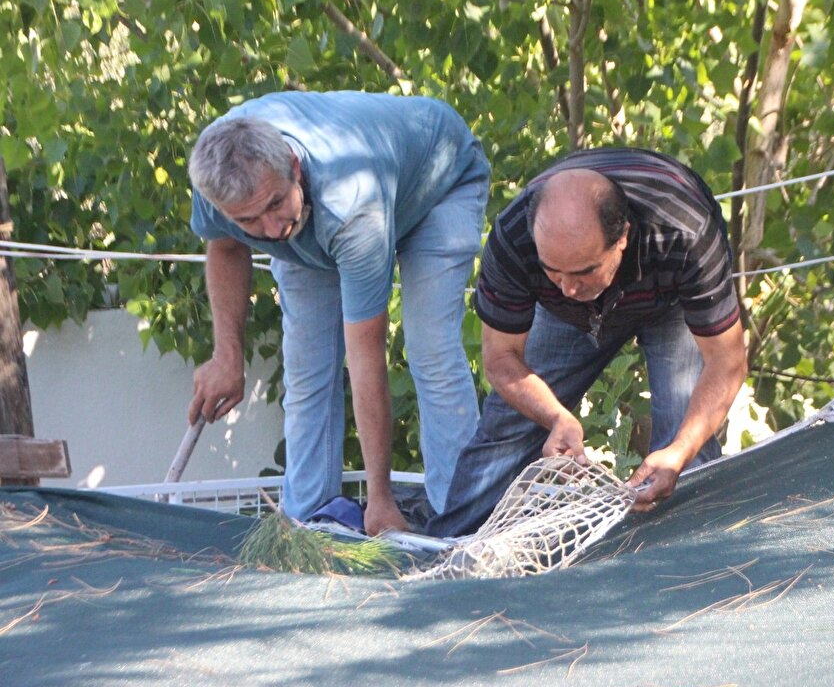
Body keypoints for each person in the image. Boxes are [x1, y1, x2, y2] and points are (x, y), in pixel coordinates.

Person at [186, 91, 489, 535]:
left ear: (293, 166)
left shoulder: (350, 206)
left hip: (439, 181)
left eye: (274, 203)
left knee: (431, 352)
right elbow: (226, 247)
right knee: (306, 369)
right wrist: (227, 355)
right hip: (326, 213)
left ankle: (464, 528)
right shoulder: (216, 178)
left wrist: (380, 498)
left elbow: (366, 360)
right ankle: (307, 525)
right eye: (249, 220)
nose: (272, 230)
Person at [425, 147, 747, 538]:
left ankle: (686, 558)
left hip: (671, 299)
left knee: (685, 447)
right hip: (561, 317)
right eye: (552, 270)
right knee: (509, 426)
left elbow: (727, 361)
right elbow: (500, 359)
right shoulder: (514, 237)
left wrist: (679, 452)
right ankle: (452, 547)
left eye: (583, 271)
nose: (569, 287)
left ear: (622, 237)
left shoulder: (685, 232)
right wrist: (556, 417)